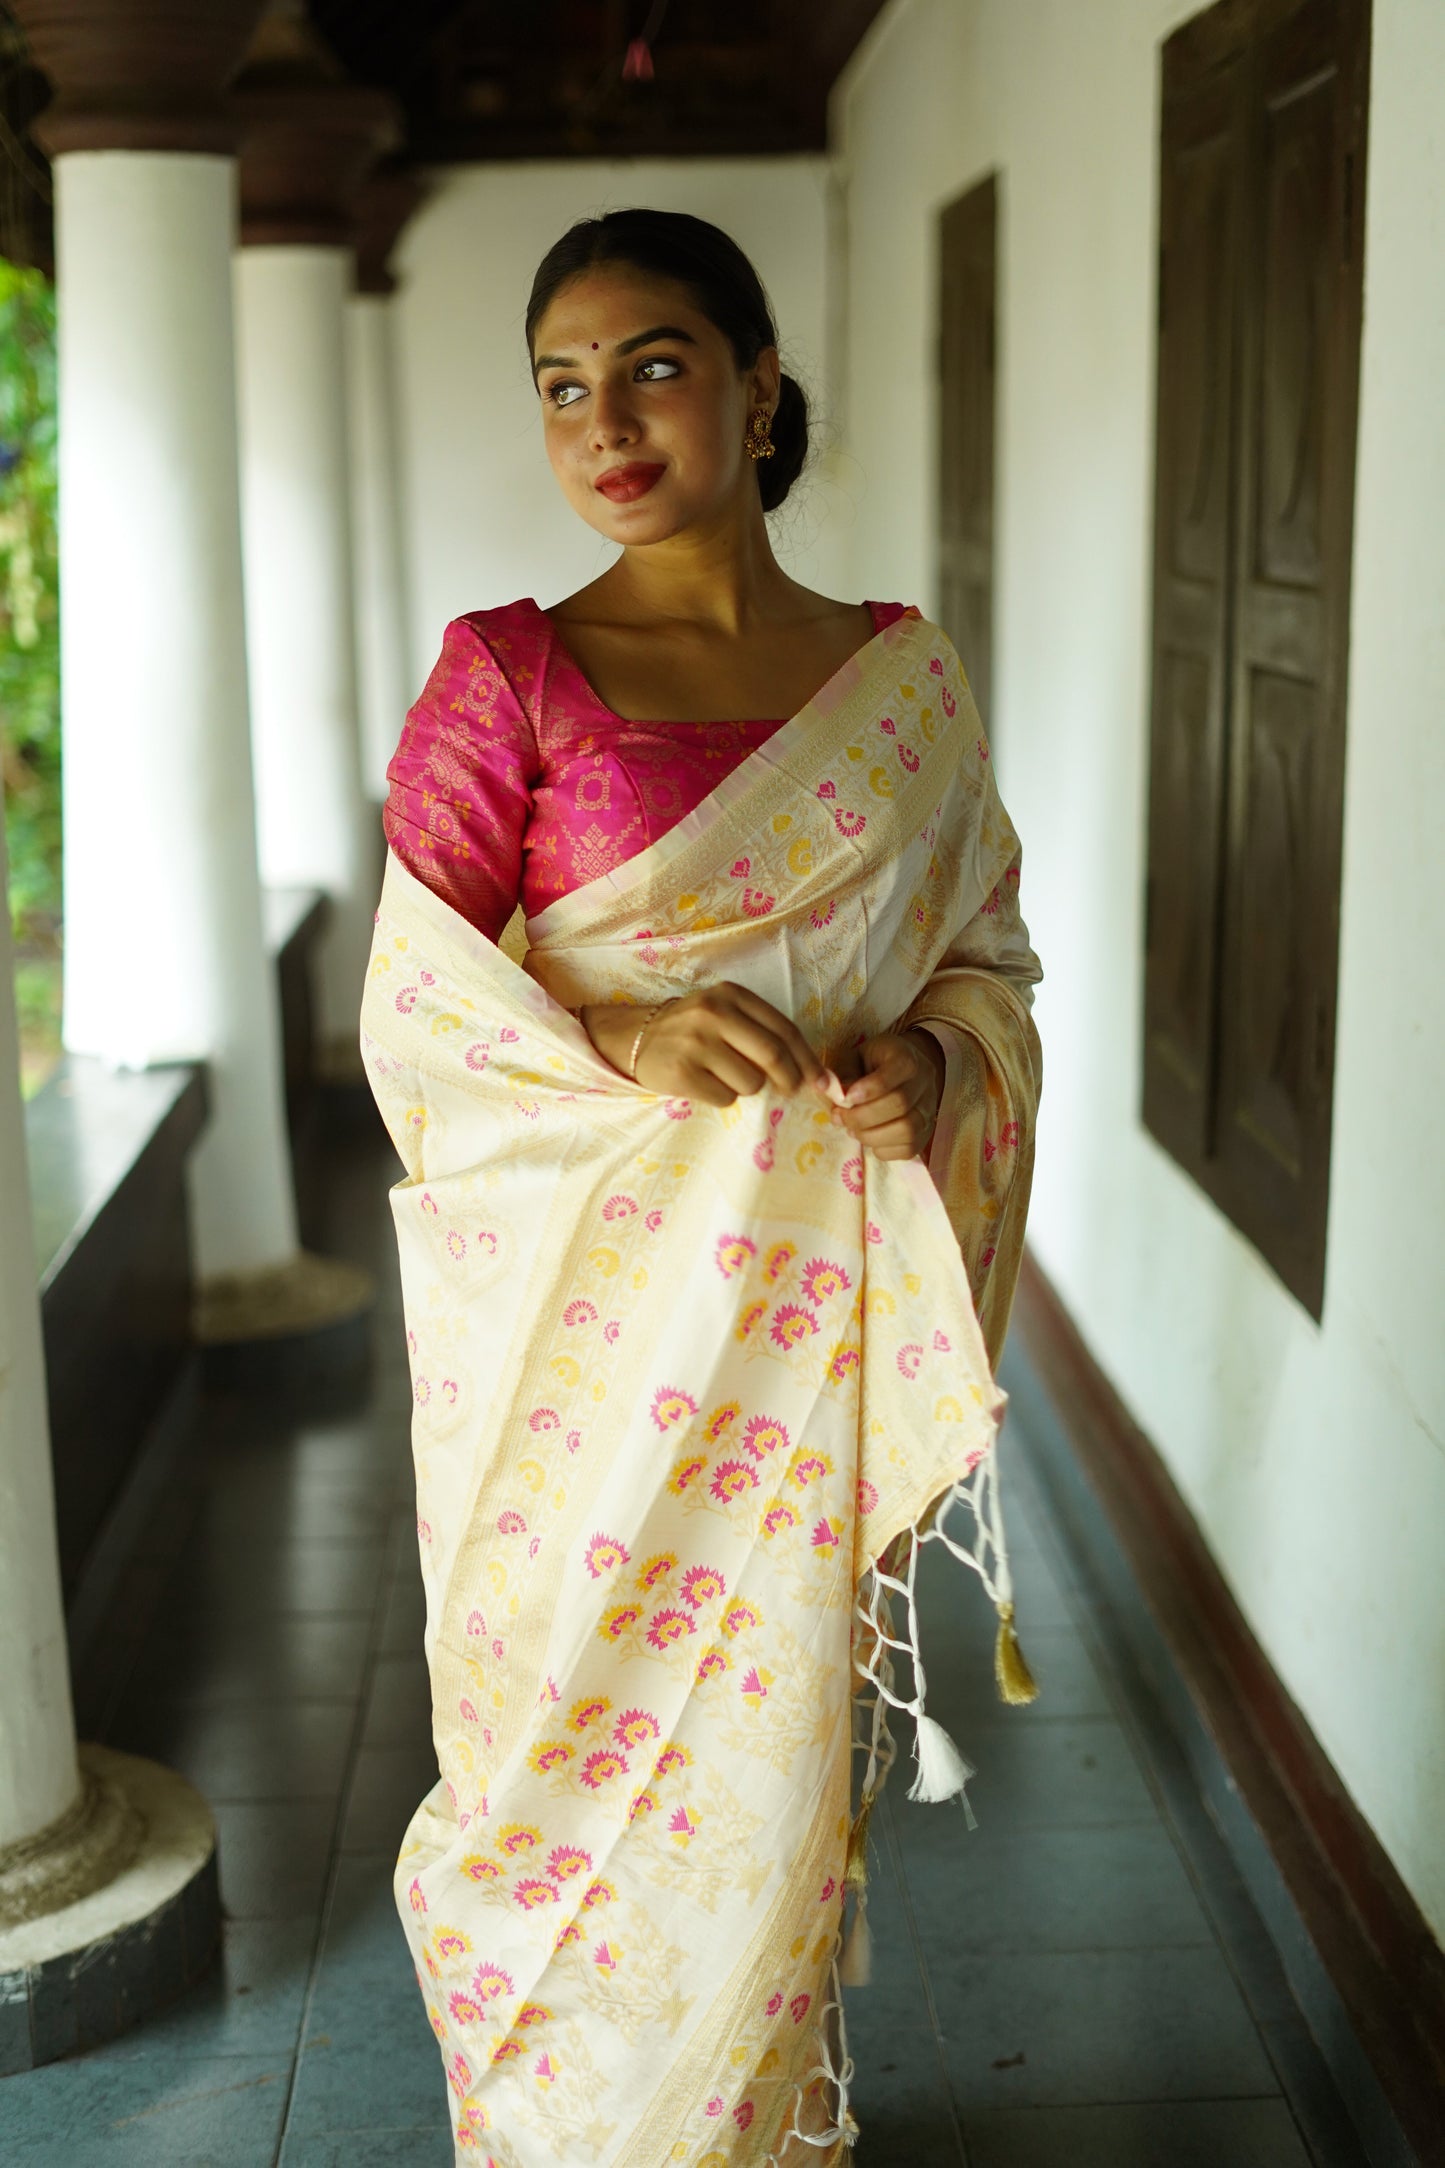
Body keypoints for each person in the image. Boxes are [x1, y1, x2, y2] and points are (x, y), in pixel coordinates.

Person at [364, 207, 1043, 2168]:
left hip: (793, 1351)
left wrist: (934, 1058)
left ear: (760, 385)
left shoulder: (897, 684)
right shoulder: (512, 676)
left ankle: (748, 2128)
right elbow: (423, 1011)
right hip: (577, 1360)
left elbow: (986, 948)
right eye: (562, 387)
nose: (604, 422)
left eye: (653, 362)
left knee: (755, 1774)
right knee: (552, 1765)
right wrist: (624, 1048)